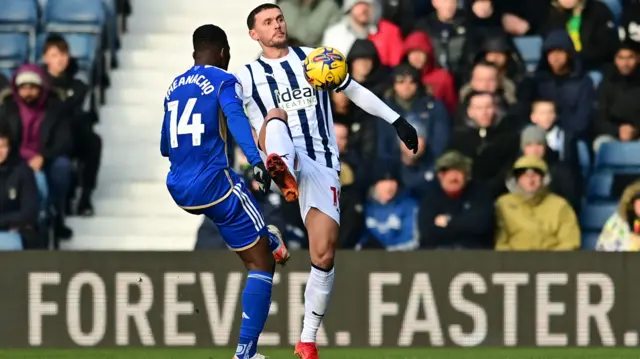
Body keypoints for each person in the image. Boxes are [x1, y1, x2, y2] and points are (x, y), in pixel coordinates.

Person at [235, 4, 418, 358]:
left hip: (321, 164)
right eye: (267, 22)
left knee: (324, 253)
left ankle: (306, 340)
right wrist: (250, 159)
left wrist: (396, 120)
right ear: (253, 34)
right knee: (275, 119)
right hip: (275, 156)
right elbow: (229, 116)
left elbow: (355, 91)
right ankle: (281, 167)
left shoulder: (314, 60)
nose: (278, 25)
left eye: (279, 18)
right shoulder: (245, 76)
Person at [160, 24, 290, 359]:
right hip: (212, 184)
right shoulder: (223, 80)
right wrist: (257, 161)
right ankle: (246, 354)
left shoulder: (173, 88)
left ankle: (267, 237)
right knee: (262, 264)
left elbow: (165, 146)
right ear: (222, 52)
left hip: (178, 185)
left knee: (243, 211)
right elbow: (236, 120)